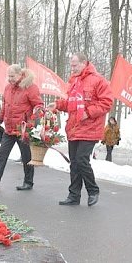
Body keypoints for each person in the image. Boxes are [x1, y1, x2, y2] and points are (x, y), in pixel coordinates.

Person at [48, 52, 113, 206]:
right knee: (74, 163)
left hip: (90, 127)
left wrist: (88, 113)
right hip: (74, 127)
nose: (72, 68)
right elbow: (70, 104)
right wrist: (57, 105)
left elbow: (107, 102)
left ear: (84, 63)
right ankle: (74, 195)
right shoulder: (73, 81)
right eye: (71, 65)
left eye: (75, 65)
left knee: (82, 160)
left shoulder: (98, 81)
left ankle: (93, 190)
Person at [0, 65, 43, 190]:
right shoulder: (8, 88)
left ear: (20, 74)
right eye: (8, 76)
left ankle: (28, 182)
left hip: (23, 129)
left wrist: (32, 123)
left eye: (12, 76)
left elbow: (38, 106)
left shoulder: (30, 87)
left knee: (26, 157)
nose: (10, 79)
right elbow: (5, 106)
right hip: (9, 129)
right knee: (2, 154)